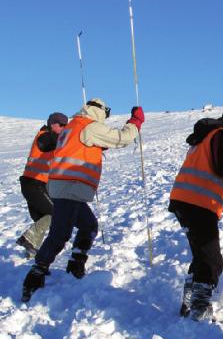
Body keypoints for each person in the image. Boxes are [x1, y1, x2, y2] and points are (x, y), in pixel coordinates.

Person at [22, 98, 145, 302]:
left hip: (66, 188)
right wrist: (136, 121)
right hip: (70, 188)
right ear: (98, 111)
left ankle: (75, 265)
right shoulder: (89, 126)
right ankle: (35, 276)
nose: (106, 117)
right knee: (59, 235)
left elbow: (79, 148)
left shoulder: (72, 127)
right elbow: (122, 138)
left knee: (89, 225)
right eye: (105, 113)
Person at [168, 101, 223, 322]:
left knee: (201, 255)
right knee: (212, 259)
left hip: (185, 202)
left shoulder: (207, 135)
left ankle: (189, 303)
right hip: (199, 203)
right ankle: (200, 307)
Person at [16, 112, 69, 258]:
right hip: (34, 184)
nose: (64, 128)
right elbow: (60, 141)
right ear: (53, 125)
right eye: (62, 126)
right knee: (57, 213)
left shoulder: (51, 138)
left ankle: (31, 253)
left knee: (43, 219)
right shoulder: (45, 136)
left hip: (34, 184)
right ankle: (28, 239)